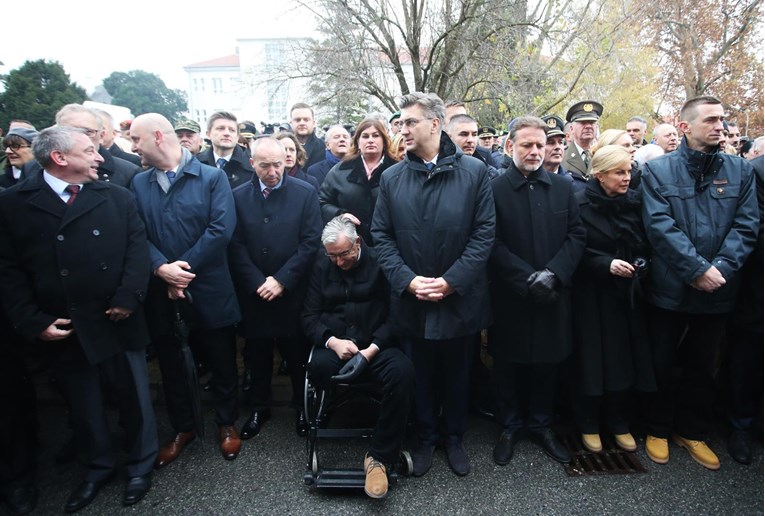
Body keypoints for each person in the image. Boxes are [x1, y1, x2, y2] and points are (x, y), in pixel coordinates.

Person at [0, 126, 158, 511]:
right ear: (60, 158)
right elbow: (8, 270)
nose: (99, 157)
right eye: (89, 150)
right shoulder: (13, 204)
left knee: (134, 398)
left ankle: (140, 465)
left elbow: (137, 252)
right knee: (83, 405)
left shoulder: (117, 197)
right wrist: (33, 321)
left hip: (116, 318)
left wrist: (127, 298)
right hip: (63, 325)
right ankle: (98, 466)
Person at [371, 92, 495, 478]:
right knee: (420, 375)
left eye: (410, 122)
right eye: (400, 123)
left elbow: (484, 233)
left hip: (459, 300)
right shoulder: (392, 178)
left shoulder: (475, 172)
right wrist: (407, 281)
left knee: (458, 374)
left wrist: (452, 281)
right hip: (414, 300)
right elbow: (381, 235)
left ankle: (454, 437)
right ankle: (425, 438)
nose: (402, 130)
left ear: (435, 124)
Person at [639, 96, 759, 470]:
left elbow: (747, 224)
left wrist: (720, 267)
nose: (720, 126)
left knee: (704, 364)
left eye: (722, 119)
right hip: (670, 289)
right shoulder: (657, 171)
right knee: (660, 362)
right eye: (710, 120)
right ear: (686, 126)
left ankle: (692, 430)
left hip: (720, 288)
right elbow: (659, 227)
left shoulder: (741, 171)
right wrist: (695, 270)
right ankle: (656, 428)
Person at [129, 113, 242, 467]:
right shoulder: (138, 183)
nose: (132, 147)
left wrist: (183, 272)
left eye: (136, 139)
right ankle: (184, 427)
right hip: (162, 291)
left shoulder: (212, 178)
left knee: (222, 359)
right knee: (172, 362)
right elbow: (137, 233)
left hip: (207, 288)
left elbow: (221, 229)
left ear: (158, 136)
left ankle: (226, 423)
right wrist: (161, 268)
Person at [488, 116, 586, 467]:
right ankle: (510, 425)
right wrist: (526, 277)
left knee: (548, 362)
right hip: (512, 294)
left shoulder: (563, 188)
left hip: (553, 292)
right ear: (509, 146)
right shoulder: (494, 189)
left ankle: (542, 424)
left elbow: (577, 235)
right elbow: (491, 241)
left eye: (539, 145)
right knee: (508, 364)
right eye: (526, 144)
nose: (534, 151)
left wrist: (554, 274)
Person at [302, 216, 415, 499]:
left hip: (375, 345)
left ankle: (378, 457)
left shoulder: (380, 263)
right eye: (333, 256)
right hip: (337, 346)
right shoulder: (321, 264)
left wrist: (371, 349)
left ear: (358, 243)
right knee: (316, 367)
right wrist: (333, 341)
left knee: (403, 373)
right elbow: (308, 316)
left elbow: (397, 317)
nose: (339, 262)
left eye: (344, 254)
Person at [228, 136, 322, 439]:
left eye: (278, 164)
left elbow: (310, 242)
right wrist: (258, 281)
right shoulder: (237, 195)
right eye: (265, 165)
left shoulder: (305, 192)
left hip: (292, 290)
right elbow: (235, 245)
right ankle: (259, 407)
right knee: (257, 354)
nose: (273, 171)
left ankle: (300, 408)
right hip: (254, 291)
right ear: (252, 163)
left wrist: (282, 279)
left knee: (296, 355)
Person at [572, 145, 656, 454]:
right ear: (600, 174)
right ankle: (588, 422)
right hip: (592, 295)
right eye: (620, 172)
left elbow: (645, 243)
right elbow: (573, 249)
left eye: (629, 171)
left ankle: (619, 421)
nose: (627, 178)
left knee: (624, 359)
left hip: (627, 296)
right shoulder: (578, 203)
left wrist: (642, 263)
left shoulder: (634, 203)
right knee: (592, 361)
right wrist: (604, 264)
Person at [725, 153, 763, 464]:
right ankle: (741, 426)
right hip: (755, 284)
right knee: (748, 358)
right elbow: (748, 224)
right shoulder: (757, 170)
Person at [319, 118, 397, 246]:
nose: (370, 140)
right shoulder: (340, 170)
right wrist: (340, 215)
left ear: (384, 140)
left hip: (388, 244)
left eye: (376, 136)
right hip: (350, 244)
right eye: (365, 136)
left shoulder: (397, 170)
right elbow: (322, 202)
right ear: (357, 142)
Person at [50, 104, 140, 188]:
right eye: (69, 131)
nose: (79, 137)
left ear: (101, 136)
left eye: (87, 132)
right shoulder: (40, 169)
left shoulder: (129, 173)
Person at [195, 111, 254, 189]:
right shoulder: (195, 163)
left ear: (237, 137)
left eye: (232, 130)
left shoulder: (252, 164)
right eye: (221, 128)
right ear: (208, 134)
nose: (227, 133)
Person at [541, 114, 584, 192]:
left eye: (560, 142)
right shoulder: (529, 181)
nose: (557, 147)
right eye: (550, 143)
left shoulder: (575, 184)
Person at [562, 100, 603, 180]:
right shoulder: (562, 156)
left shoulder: (603, 154)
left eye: (592, 122)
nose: (588, 126)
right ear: (572, 128)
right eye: (583, 122)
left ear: (596, 127)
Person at [290, 103, 325, 169]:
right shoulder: (282, 147)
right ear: (291, 123)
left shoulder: (323, 148)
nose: (302, 123)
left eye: (306, 120)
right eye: (297, 120)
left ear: (313, 123)